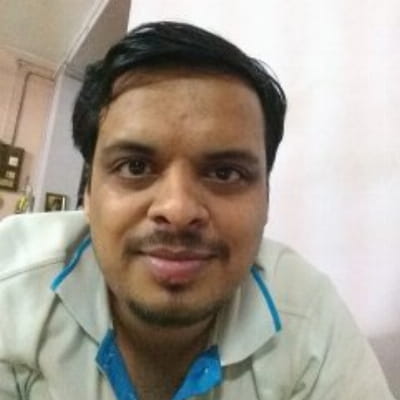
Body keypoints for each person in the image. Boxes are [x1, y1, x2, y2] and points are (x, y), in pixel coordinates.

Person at [0, 21, 395, 400]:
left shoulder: (308, 315)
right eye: (135, 167)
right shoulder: (10, 286)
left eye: (225, 173)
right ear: (87, 193)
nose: (178, 209)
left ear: (266, 199)